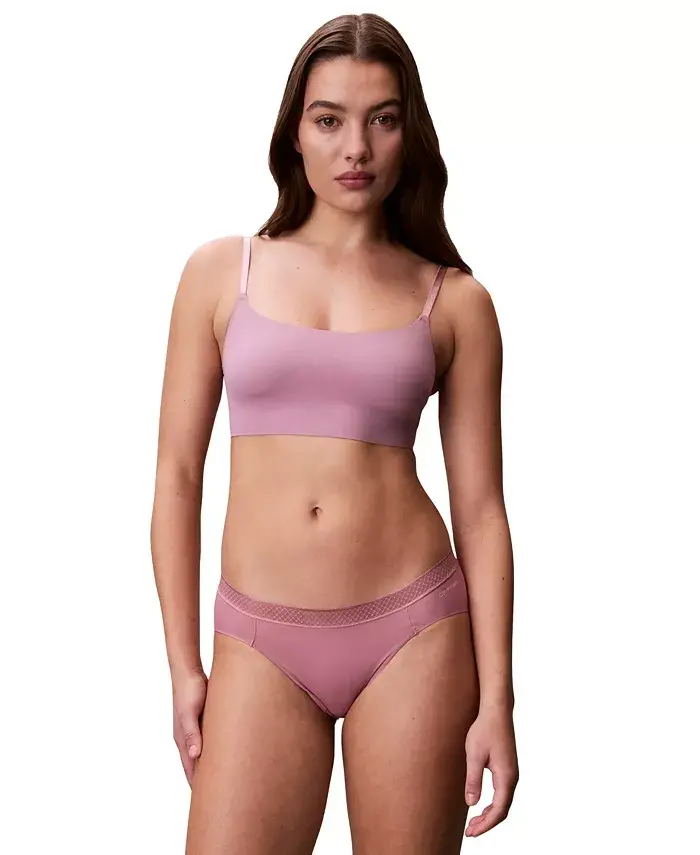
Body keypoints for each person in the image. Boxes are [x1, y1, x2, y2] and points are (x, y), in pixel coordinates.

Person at [151, 11, 518, 854]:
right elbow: (176, 475)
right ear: (294, 132)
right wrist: (183, 664)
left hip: (415, 631)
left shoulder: (456, 301)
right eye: (329, 120)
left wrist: (497, 697)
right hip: (259, 640)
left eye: (382, 119)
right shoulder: (221, 273)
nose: (357, 147)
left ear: (409, 134)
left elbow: (483, 511)